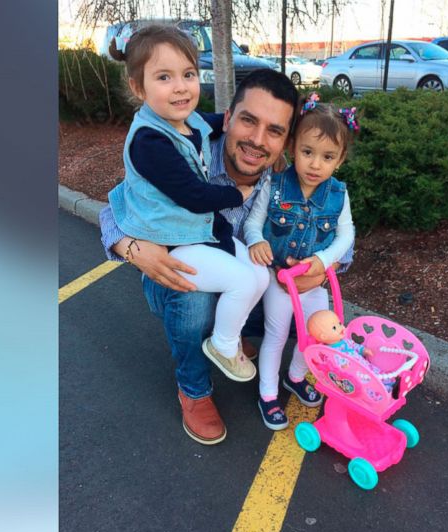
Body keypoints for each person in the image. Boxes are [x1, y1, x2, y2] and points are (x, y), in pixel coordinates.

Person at [100, 68, 351, 445]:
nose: (257, 141)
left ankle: (231, 338)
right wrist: (132, 248)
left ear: (287, 141)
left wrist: (325, 268)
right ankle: (194, 388)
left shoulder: (283, 178)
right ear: (228, 117)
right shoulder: (188, 150)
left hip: (241, 276)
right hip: (181, 277)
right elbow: (117, 203)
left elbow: (335, 232)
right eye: (248, 121)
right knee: (194, 298)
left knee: (288, 299)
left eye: (275, 131)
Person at [106, 25, 268, 386]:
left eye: (189, 74)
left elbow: (206, 125)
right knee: (238, 281)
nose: (181, 86)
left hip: (200, 234)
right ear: (138, 87)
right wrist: (236, 195)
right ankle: (210, 363)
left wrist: (232, 122)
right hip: (174, 242)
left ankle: (227, 334)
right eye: (164, 77)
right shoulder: (150, 141)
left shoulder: (184, 120)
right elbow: (194, 196)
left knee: (259, 275)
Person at [245, 95, 360, 429]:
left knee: (316, 334)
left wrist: (323, 262)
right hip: (279, 280)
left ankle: (295, 377)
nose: (315, 165)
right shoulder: (276, 184)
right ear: (292, 148)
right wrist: (257, 240)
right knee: (277, 334)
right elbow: (254, 221)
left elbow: (346, 235)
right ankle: (267, 393)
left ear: (339, 160)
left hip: (313, 280)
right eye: (307, 152)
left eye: (327, 157)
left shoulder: (338, 193)